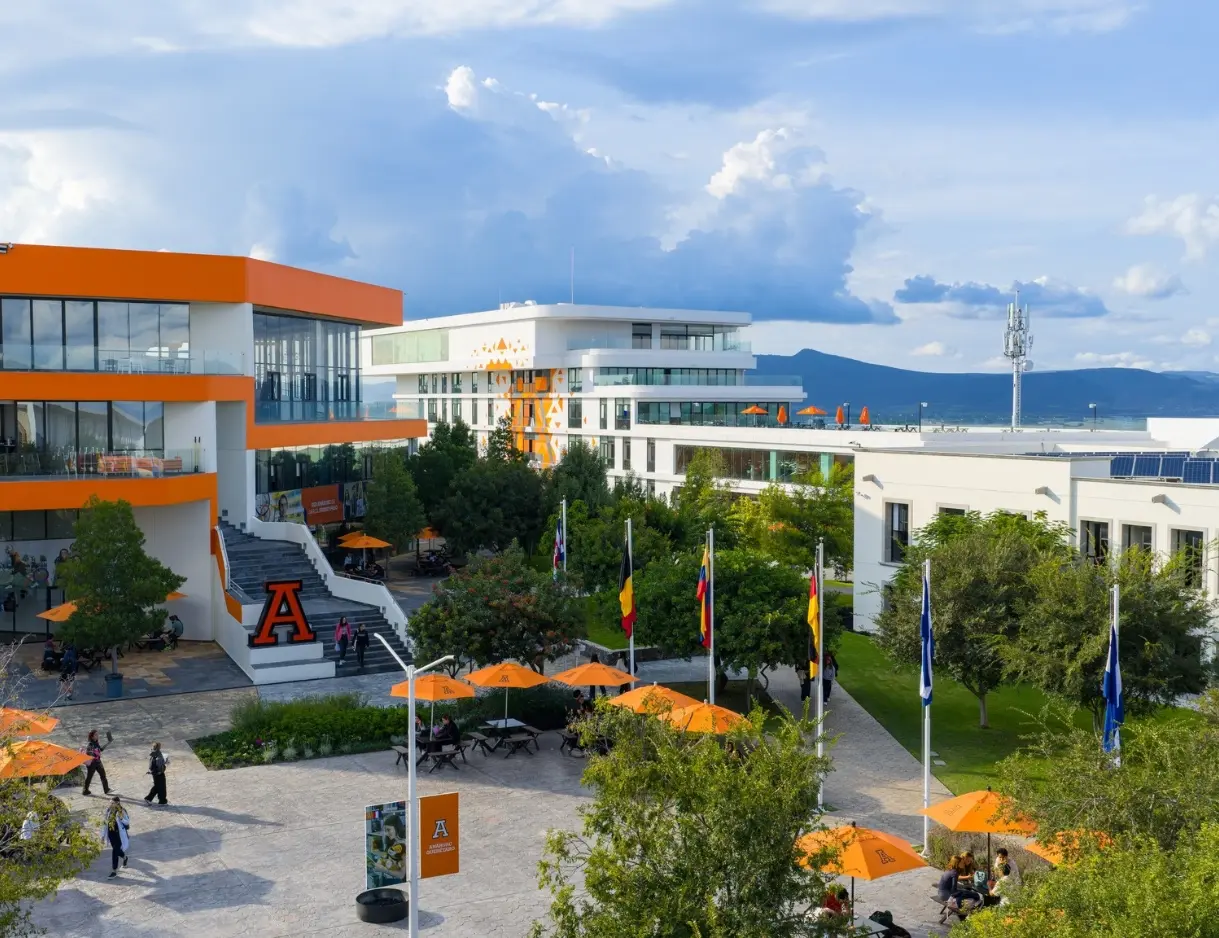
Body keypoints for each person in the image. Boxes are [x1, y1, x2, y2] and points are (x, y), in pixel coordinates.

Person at [103, 797, 130, 878]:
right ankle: (125, 857)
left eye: (112, 803)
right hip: (111, 833)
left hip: (118, 834)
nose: (110, 804)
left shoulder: (121, 811)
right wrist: (102, 836)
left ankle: (114, 870)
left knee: (115, 851)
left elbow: (127, 821)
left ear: (117, 803)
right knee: (117, 850)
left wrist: (121, 818)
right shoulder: (108, 810)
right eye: (110, 803)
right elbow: (104, 823)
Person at [82, 729, 112, 796]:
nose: (97, 736)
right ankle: (85, 790)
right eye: (96, 735)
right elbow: (88, 754)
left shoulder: (96, 742)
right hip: (92, 764)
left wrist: (108, 743)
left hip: (98, 762)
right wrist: (93, 753)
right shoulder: (90, 745)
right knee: (89, 777)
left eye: (97, 734)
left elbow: (100, 749)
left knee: (103, 775)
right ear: (92, 736)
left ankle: (106, 789)